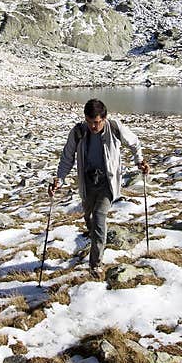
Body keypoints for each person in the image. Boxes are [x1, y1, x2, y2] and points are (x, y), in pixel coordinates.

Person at [48, 98, 149, 279]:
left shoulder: (115, 128)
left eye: (96, 123)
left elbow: (134, 143)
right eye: (89, 122)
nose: (93, 127)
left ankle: (95, 264)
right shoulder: (78, 132)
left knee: (99, 217)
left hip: (107, 184)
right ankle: (94, 238)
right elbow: (67, 157)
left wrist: (139, 162)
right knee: (89, 217)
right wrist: (59, 179)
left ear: (104, 118)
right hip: (87, 184)